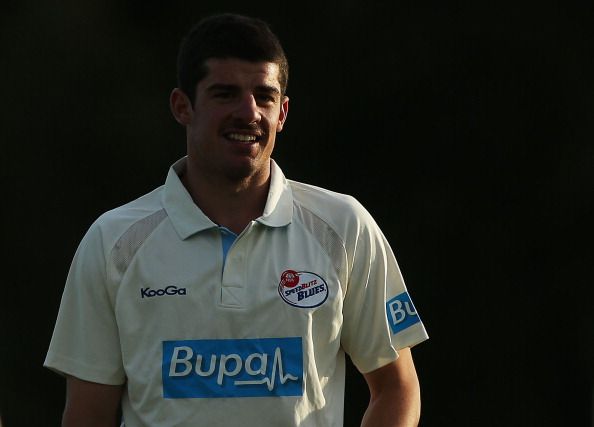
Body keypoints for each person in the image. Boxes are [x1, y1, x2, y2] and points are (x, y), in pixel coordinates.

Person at [44, 13, 428, 427]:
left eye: (264, 96)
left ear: (282, 113)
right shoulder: (113, 241)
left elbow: (396, 388)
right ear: (182, 106)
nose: (248, 112)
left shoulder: (343, 226)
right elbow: (88, 414)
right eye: (225, 94)